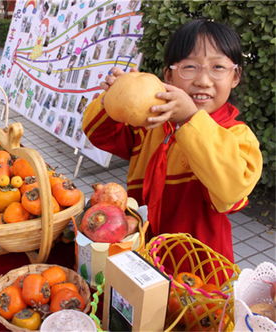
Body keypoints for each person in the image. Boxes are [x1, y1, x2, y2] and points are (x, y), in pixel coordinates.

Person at [82, 19, 263, 263]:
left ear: (235, 76)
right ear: (169, 75)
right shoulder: (151, 123)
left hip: (199, 263)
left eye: (218, 67)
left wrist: (191, 119)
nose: (203, 80)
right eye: (190, 67)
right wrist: (113, 98)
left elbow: (231, 189)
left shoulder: (237, 135)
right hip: (142, 251)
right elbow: (100, 134)